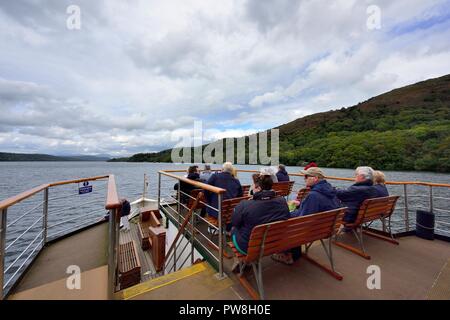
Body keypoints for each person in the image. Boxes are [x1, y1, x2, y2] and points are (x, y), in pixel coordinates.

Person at [273, 167, 340, 265]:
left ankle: (290, 255)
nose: (304, 179)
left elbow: (302, 220)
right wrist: (301, 205)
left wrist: (287, 214)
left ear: (315, 178)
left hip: (311, 231)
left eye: (306, 176)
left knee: (283, 222)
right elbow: (318, 208)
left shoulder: (314, 195)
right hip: (326, 229)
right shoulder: (330, 191)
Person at [231, 174, 290, 258]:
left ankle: (243, 262)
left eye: (253, 187)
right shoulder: (282, 201)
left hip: (249, 248)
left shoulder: (245, 204)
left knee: (234, 229)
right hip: (275, 243)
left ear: (258, 188)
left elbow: (235, 222)